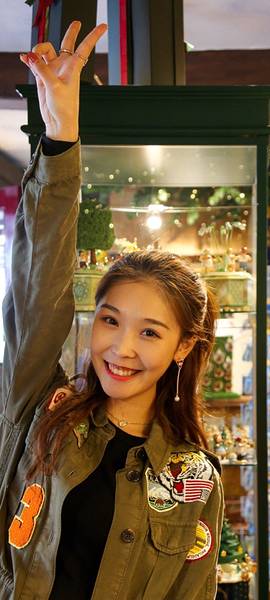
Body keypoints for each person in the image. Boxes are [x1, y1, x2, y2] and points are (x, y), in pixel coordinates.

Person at [1, 21, 224, 600]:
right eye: (109, 320)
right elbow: (37, 290)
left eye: (150, 332)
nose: (121, 348)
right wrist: (60, 136)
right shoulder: (42, 411)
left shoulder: (193, 477)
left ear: (183, 346)